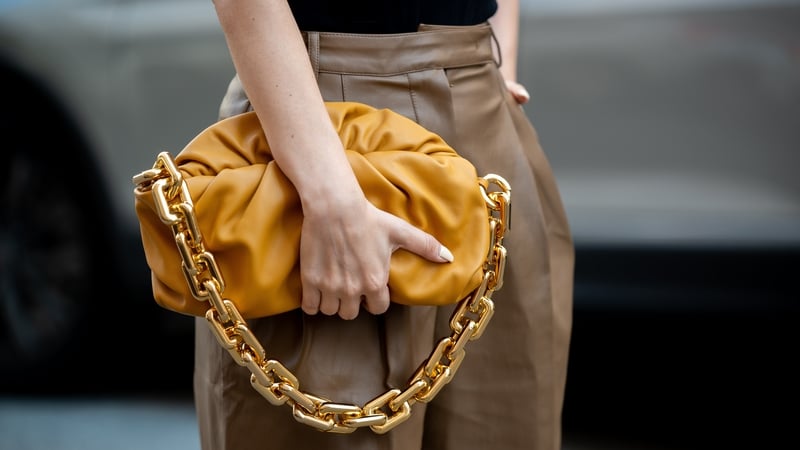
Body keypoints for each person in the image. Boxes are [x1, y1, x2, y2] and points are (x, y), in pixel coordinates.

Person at [194, 1, 574, 449]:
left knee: (509, 426)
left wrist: (496, 59)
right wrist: (328, 195)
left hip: (482, 100)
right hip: (323, 119)